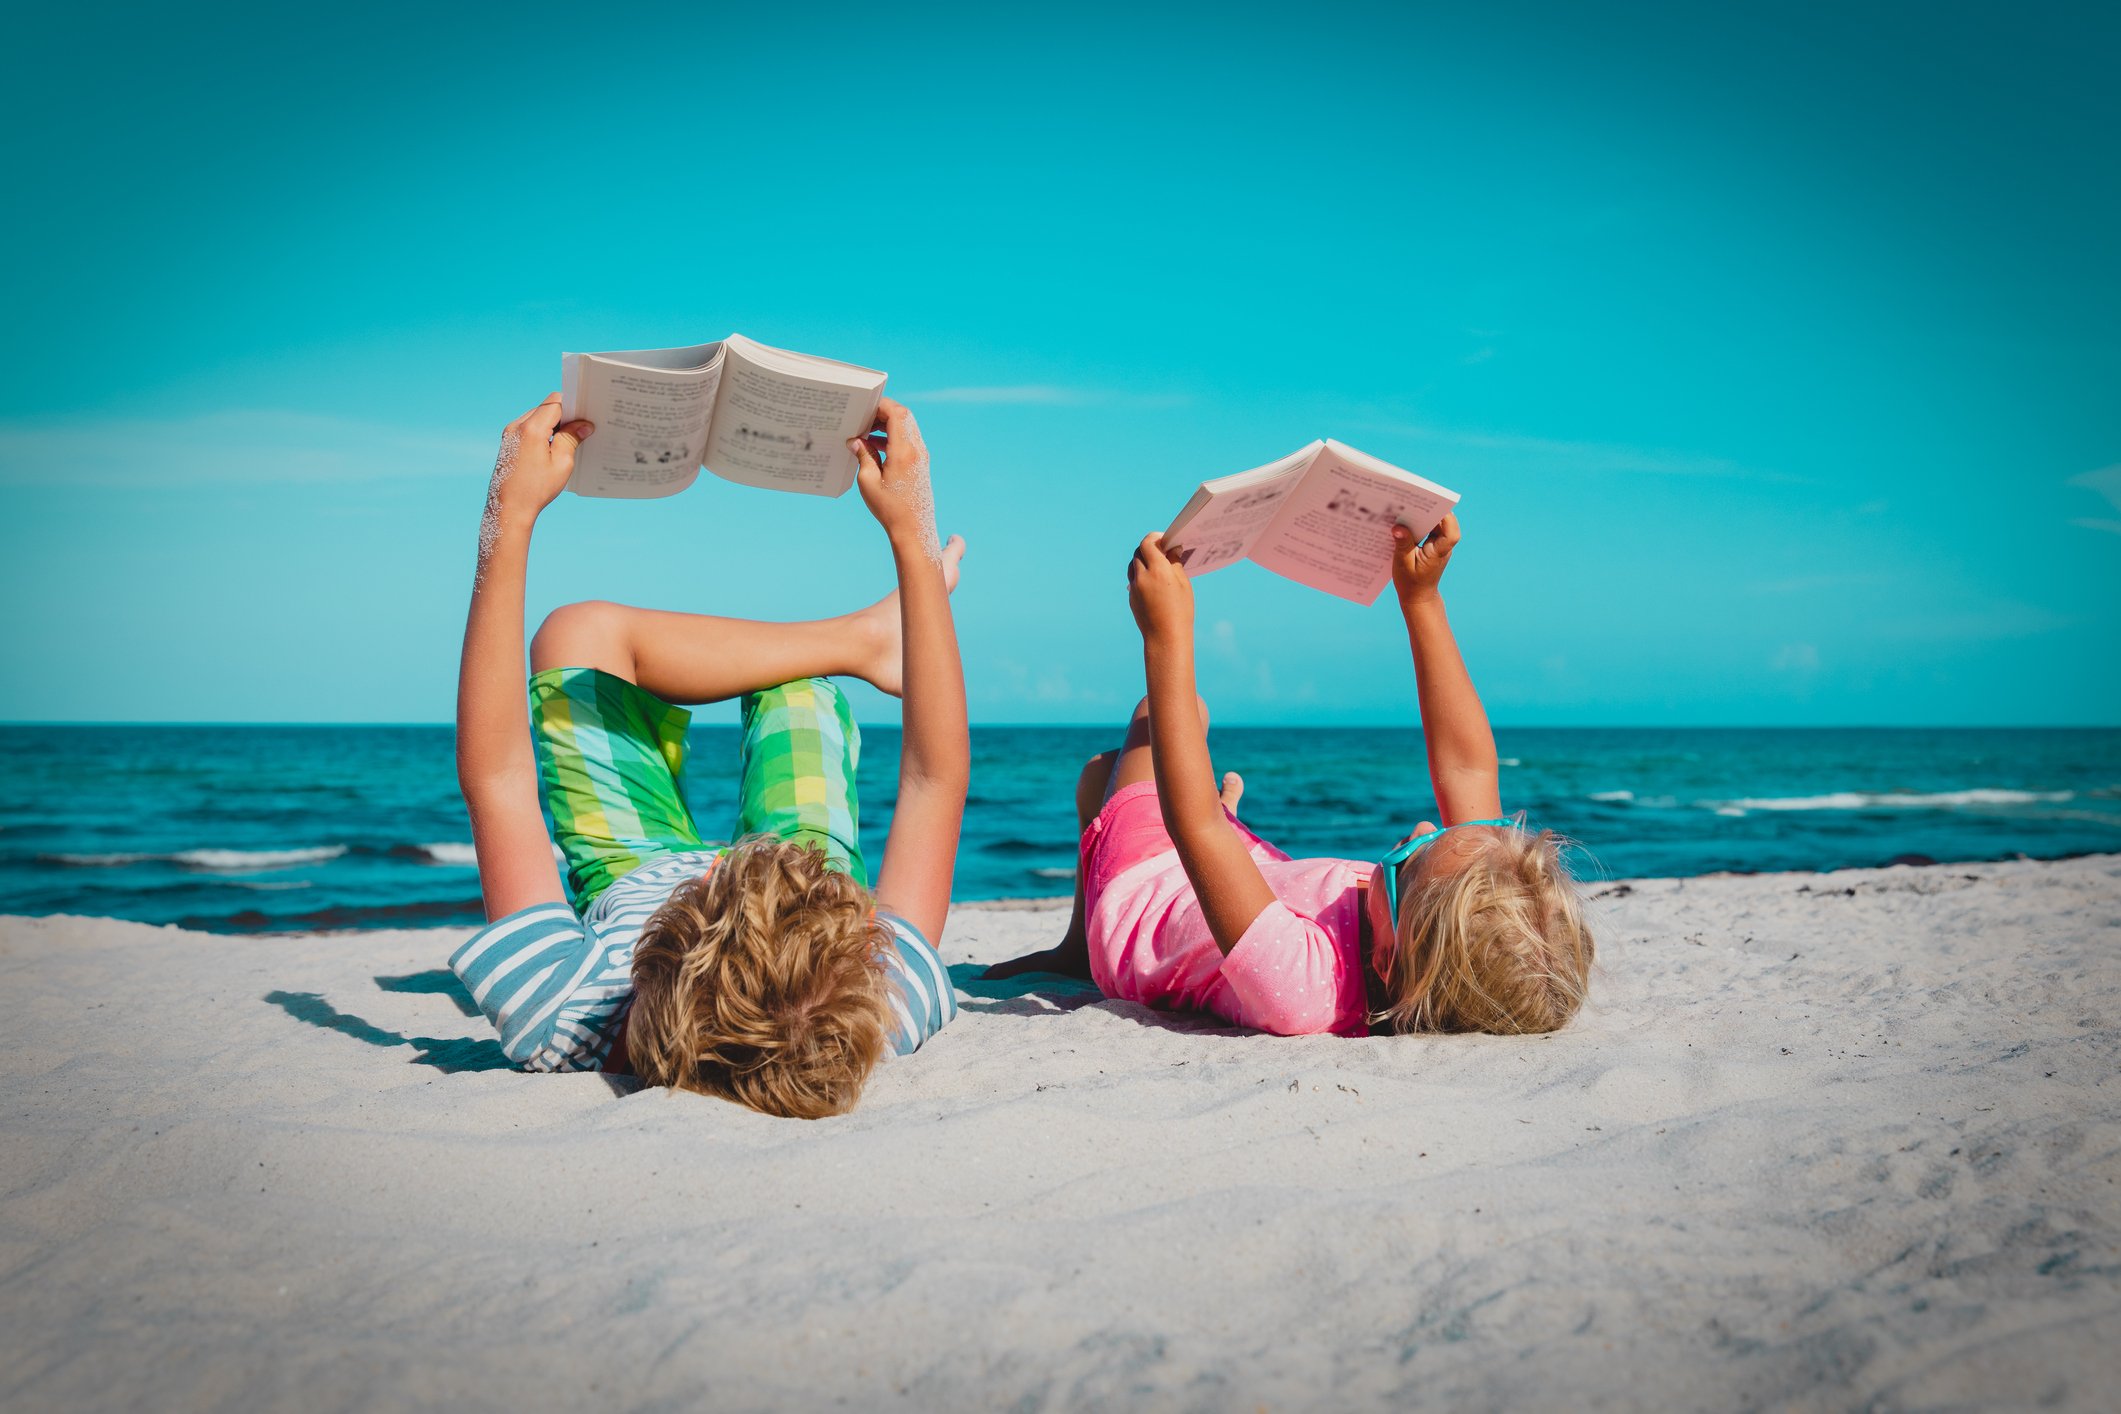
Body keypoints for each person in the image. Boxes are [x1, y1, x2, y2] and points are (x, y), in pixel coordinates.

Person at [450, 393, 968, 1118]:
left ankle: (858, 639)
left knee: (576, 633)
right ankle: (867, 640)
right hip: (807, 873)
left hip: (635, 868)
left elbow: (499, 778)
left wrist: (505, 524)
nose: (723, 860)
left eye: (713, 879)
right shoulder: (875, 1000)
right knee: (793, 690)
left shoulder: (563, 1014)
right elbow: (933, 781)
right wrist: (915, 540)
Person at [988, 514, 1593, 1037]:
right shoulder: (1434, 931)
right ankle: (1078, 936)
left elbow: (1193, 826)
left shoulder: (1303, 989)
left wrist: (1164, 636)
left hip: (1146, 896)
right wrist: (1422, 600)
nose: (1423, 826)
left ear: (1386, 959)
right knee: (1101, 779)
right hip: (1249, 871)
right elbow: (1467, 765)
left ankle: (1084, 946)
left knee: (1171, 716)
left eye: (1407, 860)